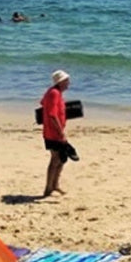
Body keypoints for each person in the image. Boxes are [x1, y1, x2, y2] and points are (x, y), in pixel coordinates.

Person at [41, 69, 76, 197]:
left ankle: (54, 185)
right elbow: (51, 115)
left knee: (61, 158)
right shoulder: (54, 93)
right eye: (66, 81)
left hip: (52, 131)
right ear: (60, 82)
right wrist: (60, 132)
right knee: (56, 159)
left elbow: (43, 103)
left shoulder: (55, 93)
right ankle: (48, 188)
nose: (68, 83)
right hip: (53, 133)